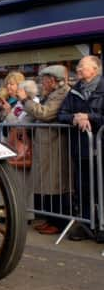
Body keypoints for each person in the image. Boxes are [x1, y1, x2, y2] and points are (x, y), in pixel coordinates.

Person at [15, 65, 71, 235]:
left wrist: (25, 100)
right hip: (45, 144)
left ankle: (58, 222)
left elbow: (45, 114)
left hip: (55, 145)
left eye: (45, 80)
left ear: (54, 80)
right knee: (47, 183)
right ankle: (49, 219)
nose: (42, 83)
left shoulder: (62, 93)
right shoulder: (51, 94)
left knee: (56, 184)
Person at [58, 55, 104, 241]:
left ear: (95, 69)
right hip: (81, 149)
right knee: (83, 188)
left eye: (82, 66)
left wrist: (89, 117)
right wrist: (74, 118)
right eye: (77, 66)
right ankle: (86, 225)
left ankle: (101, 225)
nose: (77, 69)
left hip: (101, 149)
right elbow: (62, 114)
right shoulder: (74, 91)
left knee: (101, 188)